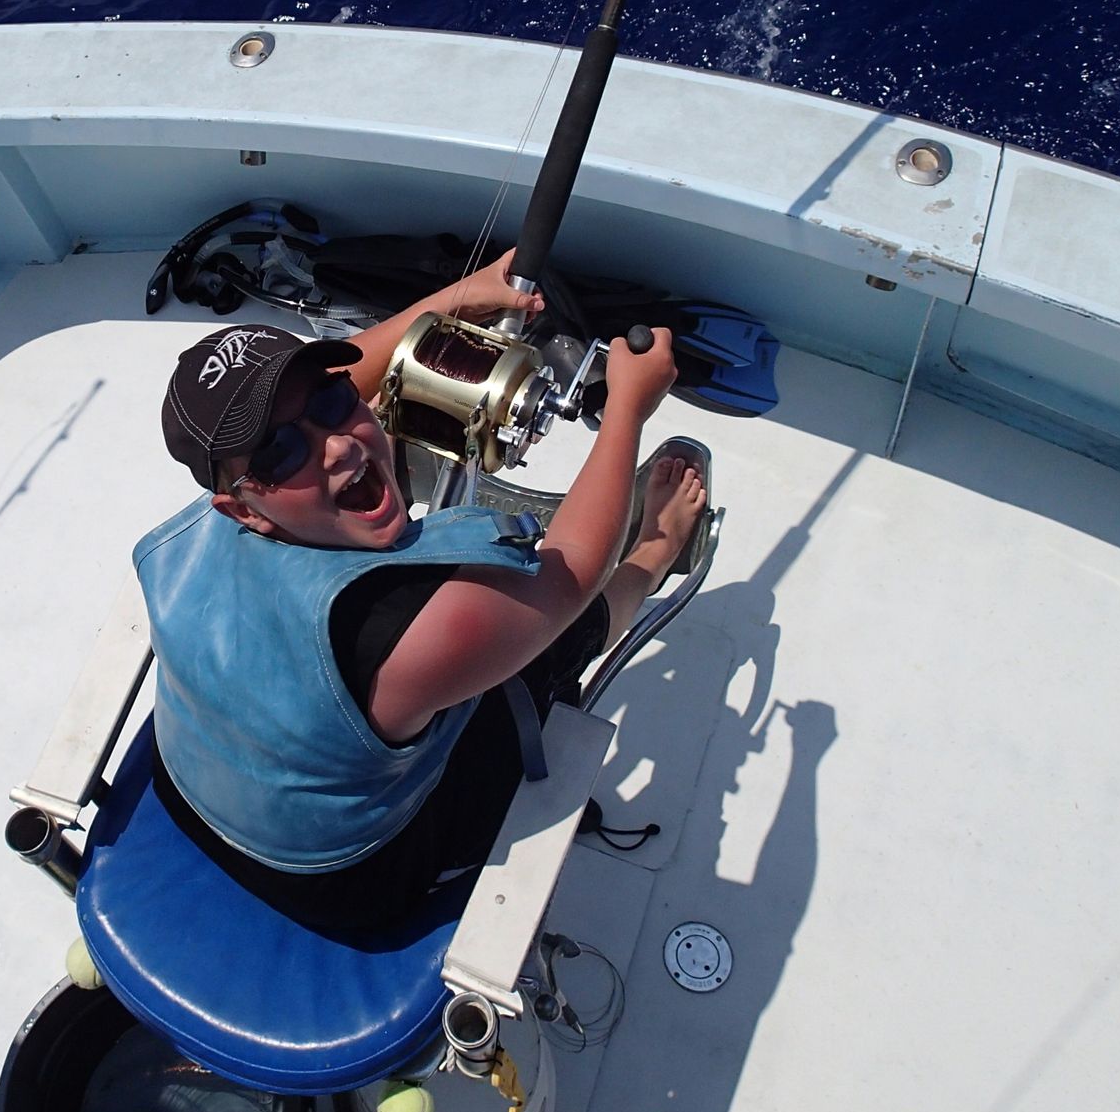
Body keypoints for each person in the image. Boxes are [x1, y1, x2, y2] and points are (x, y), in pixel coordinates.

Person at [136, 249, 705, 930]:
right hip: (345, 881)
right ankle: (654, 554)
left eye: (332, 403)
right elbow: (573, 570)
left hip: (197, 791)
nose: (338, 446)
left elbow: (346, 373)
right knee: (540, 648)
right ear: (243, 509)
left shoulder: (219, 514)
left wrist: (465, 296)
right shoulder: (398, 628)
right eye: (281, 452)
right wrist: (628, 412)